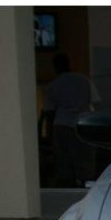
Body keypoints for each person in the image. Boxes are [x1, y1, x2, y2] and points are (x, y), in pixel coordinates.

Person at [40, 54, 100, 187]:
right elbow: (96, 103)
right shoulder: (83, 80)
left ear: (55, 67)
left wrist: (49, 136)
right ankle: (84, 187)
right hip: (83, 125)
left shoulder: (53, 85)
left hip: (62, 125)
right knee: (85, 162)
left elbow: (49, 112)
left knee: (64, 164)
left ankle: (67, 188)